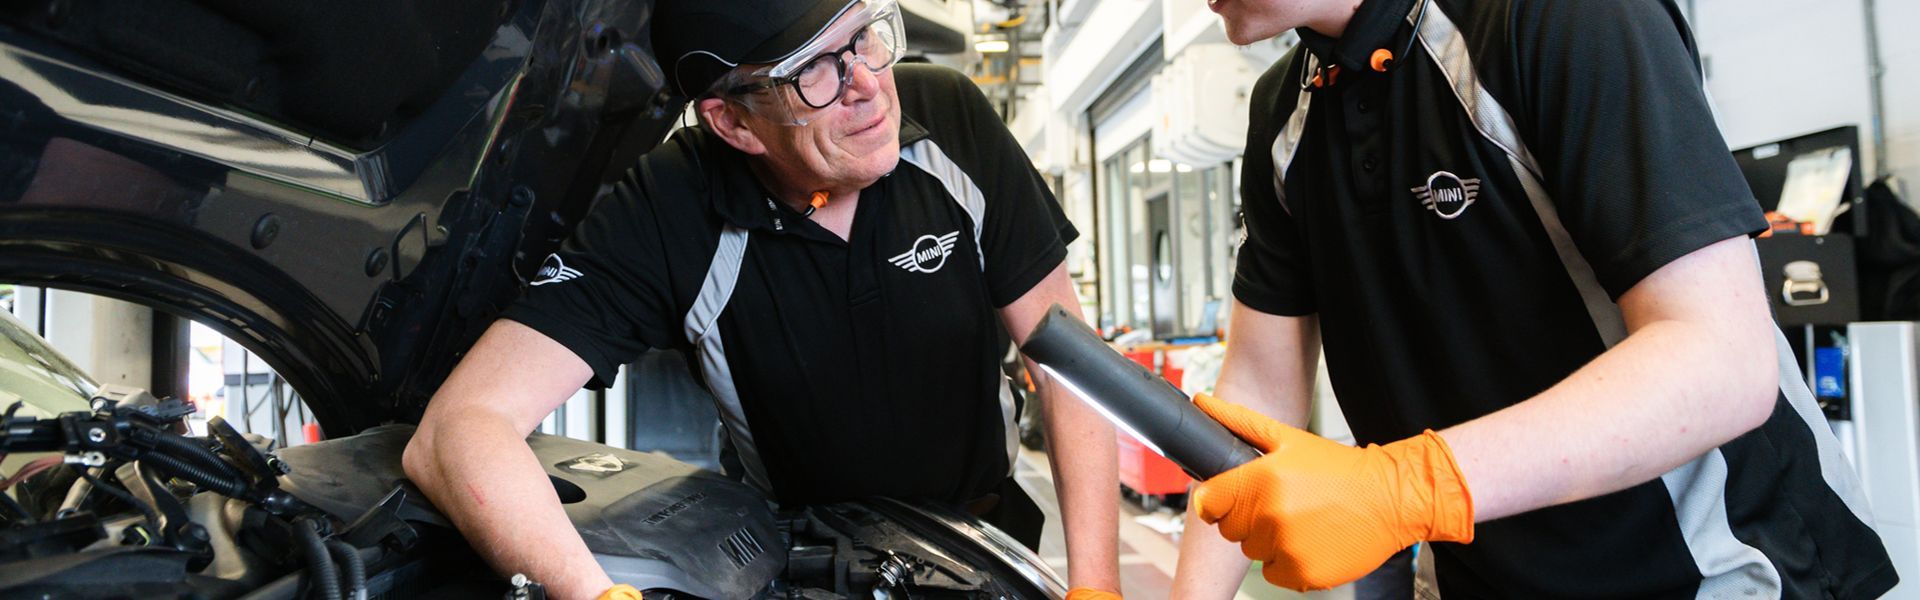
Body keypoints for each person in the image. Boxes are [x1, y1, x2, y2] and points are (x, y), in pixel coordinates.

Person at [1171, 0, 1899, 597]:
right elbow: (1259, 392)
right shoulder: (1281, 115)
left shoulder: (1560, 17)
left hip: (1723, 569)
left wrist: (1406, 487)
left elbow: (1721, 362)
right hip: (1478, 574)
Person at [401, 1, 1123, 598]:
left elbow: (1070, 367)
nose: (867, 84)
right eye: (813, 70)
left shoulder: (953, 124)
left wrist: (1096, 583)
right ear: (734, 123)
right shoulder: (671, 206)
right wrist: (592, 594)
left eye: (864, 38)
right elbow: (459, 427)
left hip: (987, 548)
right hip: (807, 572)